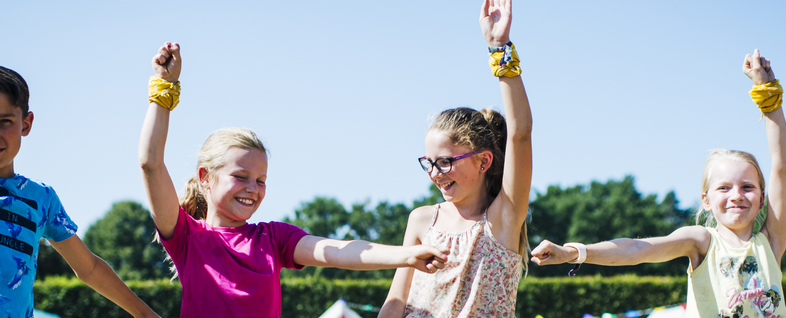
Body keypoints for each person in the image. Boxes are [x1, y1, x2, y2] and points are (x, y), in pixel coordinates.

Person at [138, 42, 449, 318]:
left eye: (261, 180)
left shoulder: (274, 239)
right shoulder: (187, 237)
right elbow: (151, 164)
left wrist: (406, 255)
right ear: (205, 177)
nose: (252, 189)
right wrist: (163, 89)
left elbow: (339, 251)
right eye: (241, 177)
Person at [531, 49, 786, 318]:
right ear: (706, 200)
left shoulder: (771, 242)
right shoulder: (701, 241)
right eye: (724, 188)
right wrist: (573, 252)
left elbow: (782, 168)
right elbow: (637, 249)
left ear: (763, 197)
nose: (736, 195)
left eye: (747, 187)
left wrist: (767, 91)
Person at [377, 0, 532, 316]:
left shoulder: (503, 219)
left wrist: (499, 47)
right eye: (429, 163)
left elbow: (521, 133)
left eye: (445, 161)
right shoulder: (422, 220)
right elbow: (397, 298)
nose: (435, 173)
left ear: (483, 161)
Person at [0, 66, 160, 318]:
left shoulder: (41, 199)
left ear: (26, 124)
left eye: (4, 122)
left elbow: (90, 268)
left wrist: (146, 315)